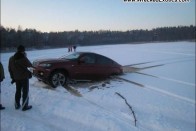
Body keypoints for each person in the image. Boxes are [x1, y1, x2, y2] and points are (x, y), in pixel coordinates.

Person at [8, 45, 33, 111]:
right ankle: (25, 106)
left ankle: (17, 105)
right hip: (24, 77)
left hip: (16, 78)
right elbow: (30, 66)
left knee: (18, 91)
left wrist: (13, 77)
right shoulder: (23, 58)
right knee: (25, 92)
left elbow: (10, 69)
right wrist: (30, 74)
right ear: (23, 51)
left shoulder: (11, 58)